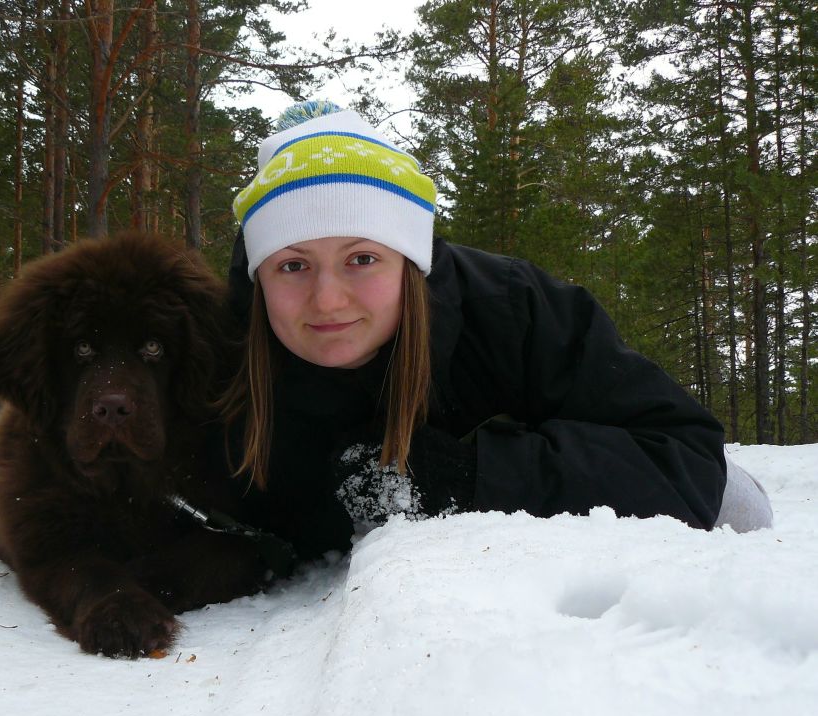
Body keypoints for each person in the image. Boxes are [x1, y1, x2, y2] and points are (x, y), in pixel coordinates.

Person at [220, 100, 772, 561]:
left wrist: (469, 476)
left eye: (362, 258)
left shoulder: (511, 307)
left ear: (409, 262)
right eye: (293, 265)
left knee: (740, 507)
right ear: (258, 274)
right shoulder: (215, 348)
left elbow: (684, 457)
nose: (327, 299)